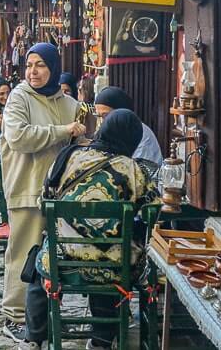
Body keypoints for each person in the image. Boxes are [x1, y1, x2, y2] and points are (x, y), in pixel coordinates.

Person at [20, 109, 153, 350]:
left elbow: (44, 201)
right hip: (113, 264)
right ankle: (101, 340)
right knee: (113, 259)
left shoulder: (68, 156)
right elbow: (151, 210)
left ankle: (32, 338)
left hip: (62, 259)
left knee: (39, 263)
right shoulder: (134, 170)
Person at [0, 43, 85, 341]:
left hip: (60, 195)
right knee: (23, 254)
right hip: (27, 188)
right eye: (29, 65)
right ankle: (15, 315)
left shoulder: (69, 103)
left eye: (40, 65)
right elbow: (19, 137)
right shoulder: (19, 98)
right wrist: (64, 131)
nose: (33, 72)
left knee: (54, 257)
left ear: (53, 68)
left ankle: (45, 314)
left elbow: (83, 141)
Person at [94, 86, 163, 166]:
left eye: (106, 115)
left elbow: (140, 171)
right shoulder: (108, 132)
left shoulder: (141, 134)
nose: (102, 121)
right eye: (99, 116)